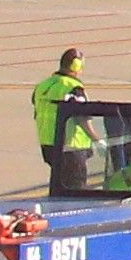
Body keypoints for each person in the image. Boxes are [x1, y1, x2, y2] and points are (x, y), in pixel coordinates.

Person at [33, 49, 91, 188]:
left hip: (49, 145)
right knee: (75, 188)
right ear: (76, 66)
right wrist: (97, 139)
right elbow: (81, 118)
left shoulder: (43, 85)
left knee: (60, 184)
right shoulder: (73, 88)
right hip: (71, 147)